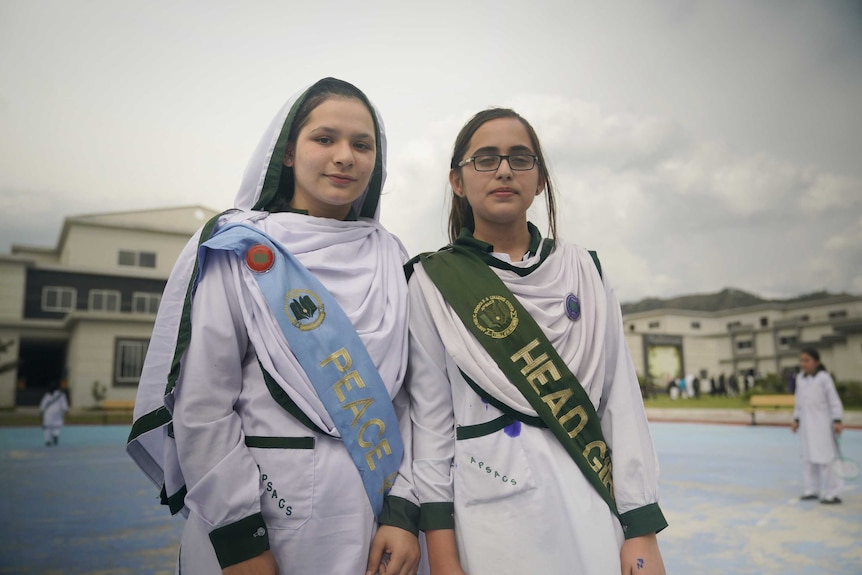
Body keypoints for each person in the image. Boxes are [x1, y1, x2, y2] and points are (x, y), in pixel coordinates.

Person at [126, 78, 421, 575]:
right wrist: (240, 539)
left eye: (361, 144)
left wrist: (404, 512)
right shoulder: (238, 248)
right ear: (287, 153)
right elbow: (204, 405)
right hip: (261, 526)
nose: (345, 156)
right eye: (324, 139)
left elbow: (410, 402)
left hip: (376, 528)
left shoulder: (394, 257)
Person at [405, 108, 667, 574]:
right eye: (485, 159)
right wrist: (443, 558)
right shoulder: (430, 281)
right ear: (457, 181)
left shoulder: (586, 270)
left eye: (520, 158)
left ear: (540, 179)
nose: (504, 169)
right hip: (486, 525)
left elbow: (620, 404)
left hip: (590, 511)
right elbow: (430, 426)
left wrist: (640, 531)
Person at [791, 347, 844, 504]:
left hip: (822, 425)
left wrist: (837, 420)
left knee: (826, 458)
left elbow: (834, 400)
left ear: (816, 362)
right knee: (808, 458)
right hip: (807, 426)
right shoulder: (800, 378)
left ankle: (833, 493)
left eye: (807, 360)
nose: (803, 363)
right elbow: (798, 402)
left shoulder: (823, 378)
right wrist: (796, 419)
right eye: (801, 360)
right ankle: (811, 490)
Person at [39, 380, 68, 446]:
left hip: (48, 411)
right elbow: (64, 404)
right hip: (58, 411)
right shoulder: (61, 394)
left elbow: (43, 403)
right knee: (57, 424)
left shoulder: (47, 394)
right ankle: (55, 434)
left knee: (47, 426)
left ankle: (47, 441)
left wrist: (41, 410)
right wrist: (65, 410)